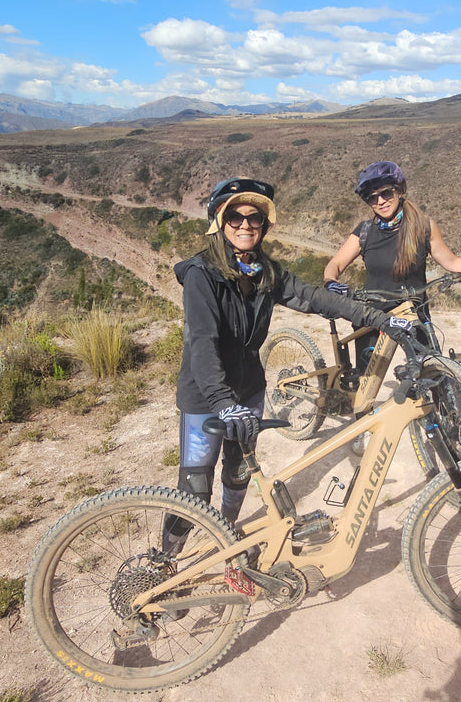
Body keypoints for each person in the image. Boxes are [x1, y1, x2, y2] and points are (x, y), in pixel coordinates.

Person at [167, 177, 417, 551]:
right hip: (206, 395)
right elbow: (202, 343)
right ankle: (166, 561)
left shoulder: (264, 272)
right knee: (195, 486)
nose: (245, 225)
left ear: (264, 226)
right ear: (219, 222)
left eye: (254, 218)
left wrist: (381, 320)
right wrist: (222, 401)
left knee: (238, 473)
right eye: (235, 217)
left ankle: (227, 540)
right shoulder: (202, 275)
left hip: (249, 389)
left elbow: (317, 299)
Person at [322, 161, 461, 368]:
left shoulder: (423, 227)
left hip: (413, 312)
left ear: (399, 191)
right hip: (372, 313)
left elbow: (452, 262)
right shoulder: (365, 231)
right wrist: (331, 282)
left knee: (431, 371)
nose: (380, 201)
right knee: (365, 380)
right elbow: (336, 264)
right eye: (372, 197)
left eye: (386, 193)